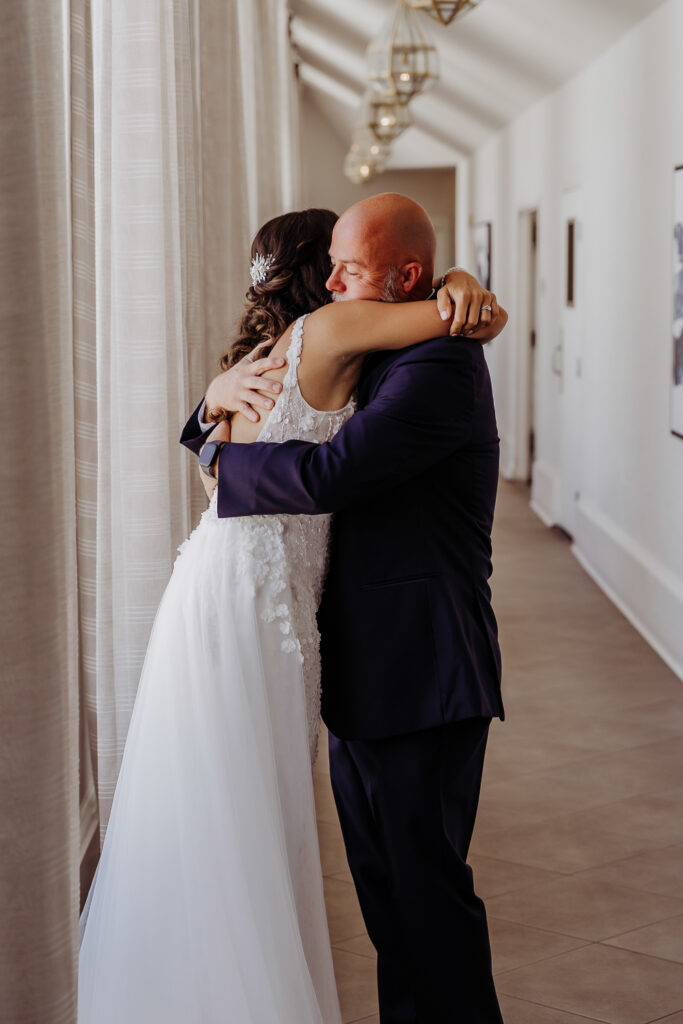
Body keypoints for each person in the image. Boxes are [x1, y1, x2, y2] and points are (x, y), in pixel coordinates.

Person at [78, 203, 505, 1024]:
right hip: (354, 665)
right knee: (388, 903)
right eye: (333, 264)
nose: (337, 282)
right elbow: (271, 404)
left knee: (428, 899)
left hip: (422, 670)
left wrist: (223, 470)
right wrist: (210, 414)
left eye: (351, 267)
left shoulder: (442, 363)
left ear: (406, 279)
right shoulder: (360, 337)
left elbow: (333, 472)